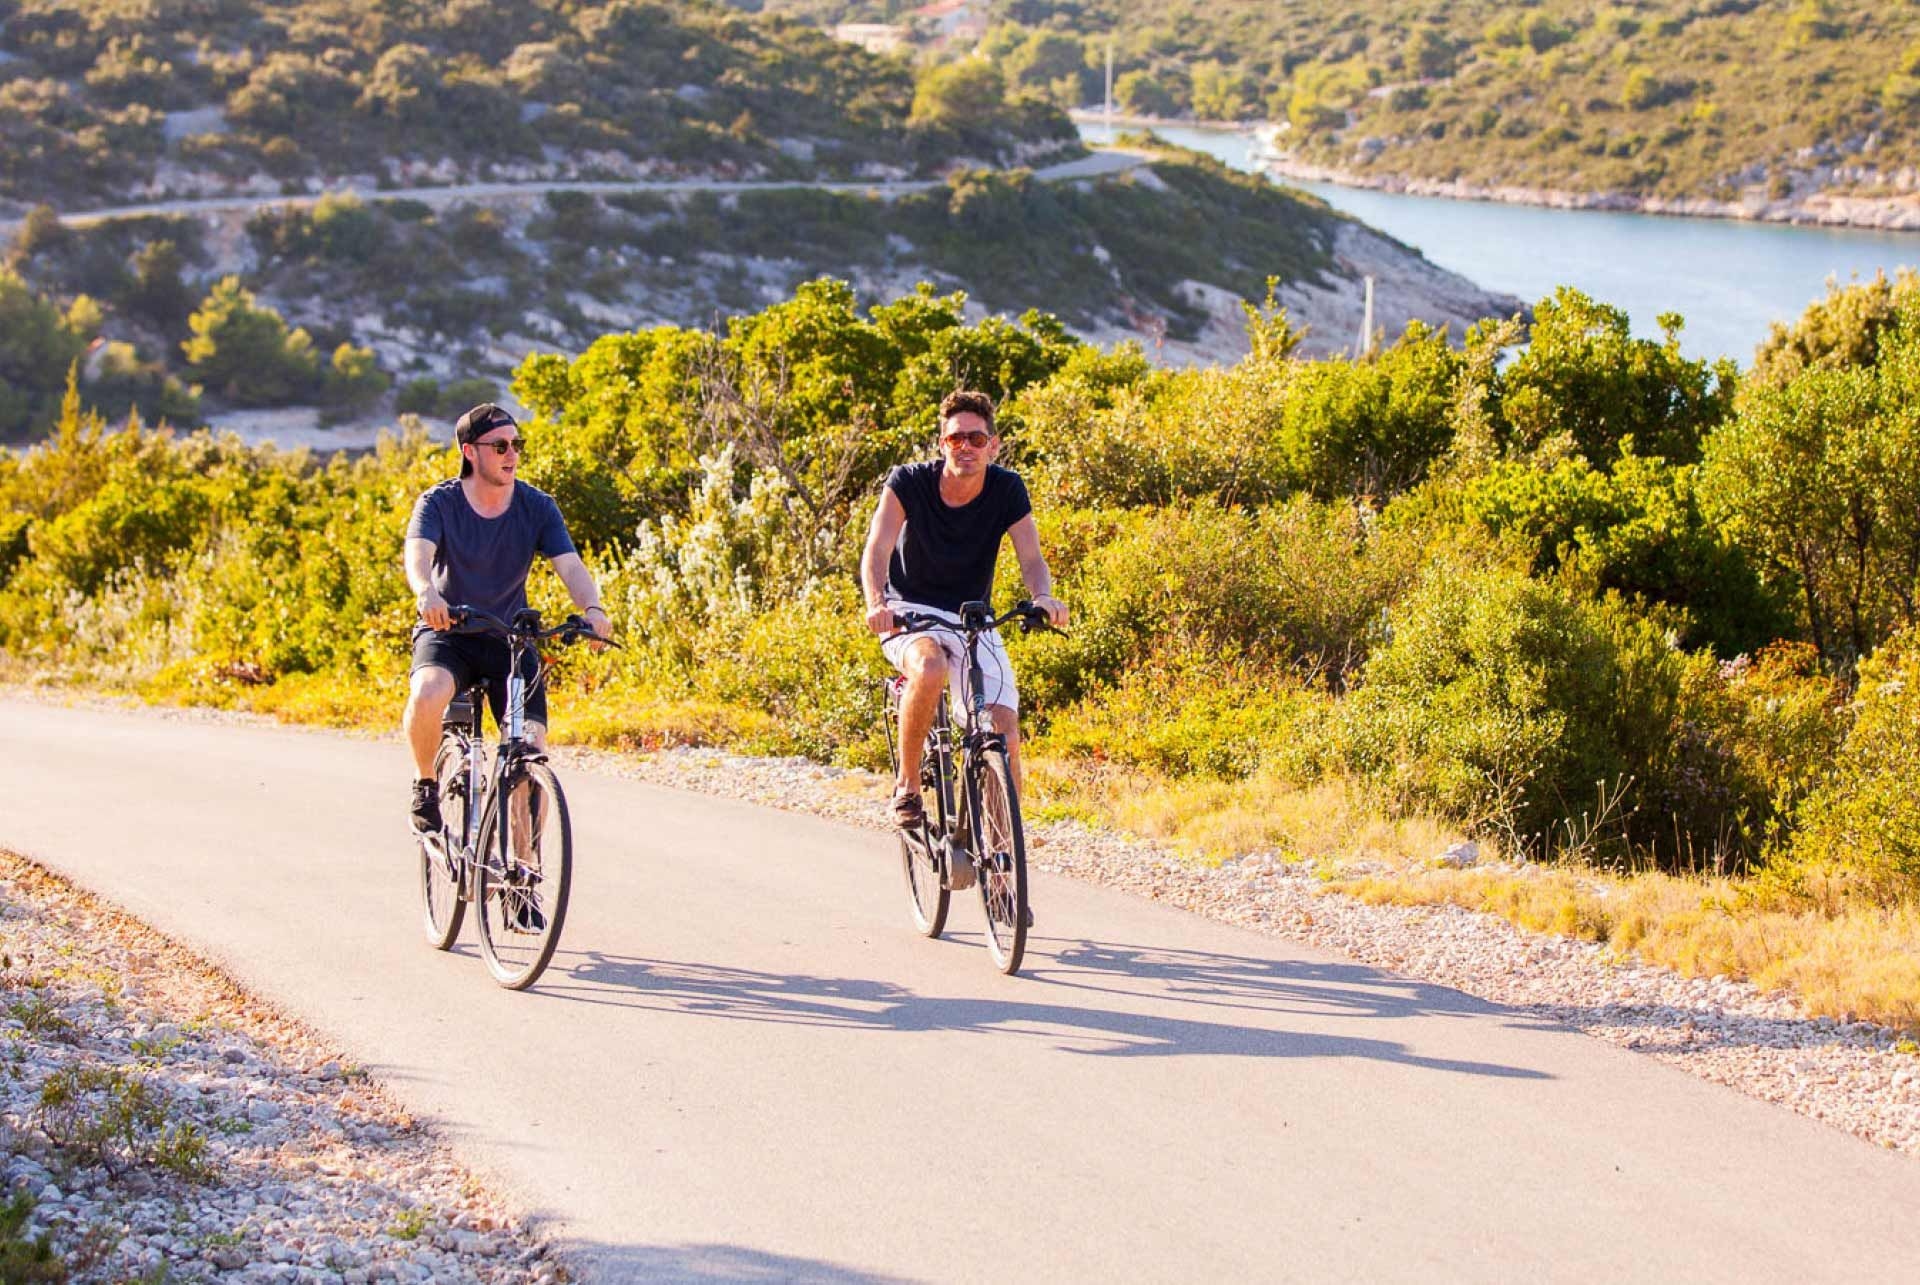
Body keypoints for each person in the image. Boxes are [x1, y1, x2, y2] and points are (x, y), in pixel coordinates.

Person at [860, 389, 1068, 859]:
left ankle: (1001, 860)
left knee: (1004, 729)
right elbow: (877, 549)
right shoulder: (908, 482)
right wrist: (877, 603)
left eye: (977, 438)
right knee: (929, 669)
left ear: (993, 446)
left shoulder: (1007, 488)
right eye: (957, 439)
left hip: (973, 617)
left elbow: (1031, 558)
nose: (966, 447)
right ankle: (908, 786)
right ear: (942, 443)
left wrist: (1043, 597)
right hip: (909, 611)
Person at [402, 403, 611, 836]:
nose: (511, 454)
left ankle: (524, 877)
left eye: (517, 444)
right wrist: (427, 591)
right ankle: (425, 784)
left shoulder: (537, 506)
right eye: (499, 445)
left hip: (510, 642)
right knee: (427, 692)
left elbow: (570, 566)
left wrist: (593, 609)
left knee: (528, 751)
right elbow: (417, 556)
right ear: (469, 452)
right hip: (449, 631)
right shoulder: (439, 503)